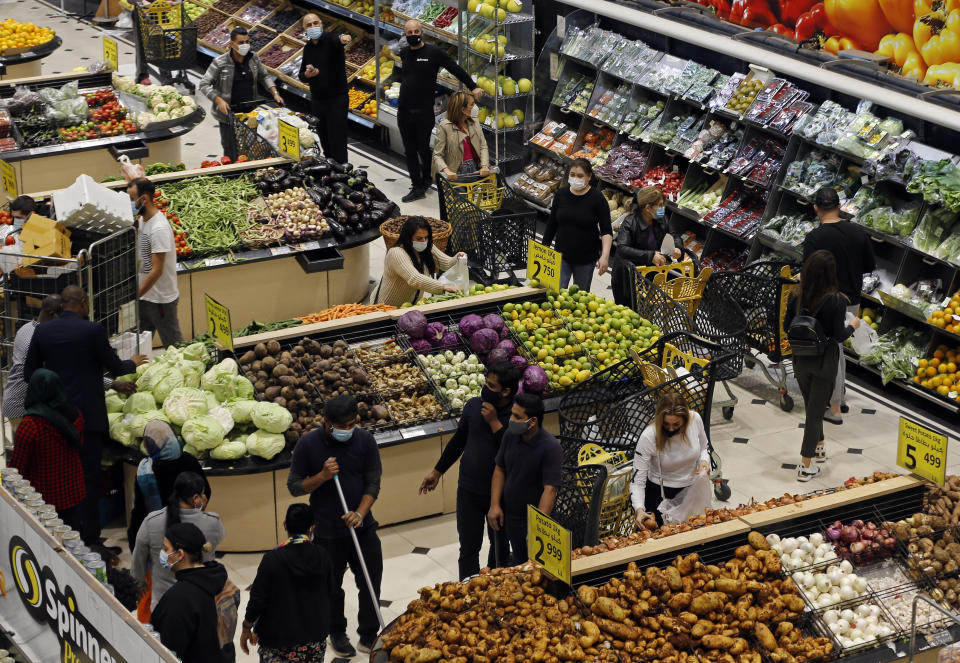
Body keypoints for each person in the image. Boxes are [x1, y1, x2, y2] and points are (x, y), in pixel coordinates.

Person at [24, 285, 147, 548]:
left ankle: (67, 537)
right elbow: (115, 367)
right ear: (82, 302)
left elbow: (30, 373)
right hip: (88, 418)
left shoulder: (42, 331)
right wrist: (133, 363)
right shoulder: (92, 330)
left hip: (55, 419)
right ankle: (91, 540)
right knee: (88, 479)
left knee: (62, 475)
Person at [287, 395, 383, 658]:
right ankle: (337, 633)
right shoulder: (309, 444)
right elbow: (294, 486)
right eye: (342, 426)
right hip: (328, 532)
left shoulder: (364, 440)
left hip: (363, 527)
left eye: (352, 424)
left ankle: (369, 634)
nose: (348, 430)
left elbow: (373, 482)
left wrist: (360, 513)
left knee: (371, 581)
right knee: (331, 586)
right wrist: (322, 476)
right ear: (327, 422)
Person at [420, 362, 518, 579]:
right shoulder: (473, 406)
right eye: (485, 383)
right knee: (468, 548)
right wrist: (437, 472)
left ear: (506, 391)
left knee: (499, 546)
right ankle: (468, 592)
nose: (485, 389)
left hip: (500, 495)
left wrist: (493, 422)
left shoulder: (516, 416)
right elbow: (459, 440)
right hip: (468, 490)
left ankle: (495, 588)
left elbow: (512, 453)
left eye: (491, 386)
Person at [803, 187, 875, 425]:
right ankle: (840, 396)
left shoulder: (815, 238)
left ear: (816, 208)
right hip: (852, 299)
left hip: (826, 301)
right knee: (838, 346)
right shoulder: (857, 232)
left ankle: (834, 408)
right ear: (840, 206)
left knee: (832, 350)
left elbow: (809, 274)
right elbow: (867, 266)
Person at [785, 250, 860, 481]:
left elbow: (787, 324)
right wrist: (853, 326)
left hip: (800, 358)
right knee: (815, 414)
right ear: (831, 275)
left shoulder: (796, 294)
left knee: (812, 407)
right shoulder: (837, 301)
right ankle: (805, 467)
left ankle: (819, 447)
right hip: (824, 361)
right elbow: (837, 336)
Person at [397, 19, 483, 202]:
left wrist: (473, 86)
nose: (413, 35)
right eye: (409, 33)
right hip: (404, 111)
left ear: (422, 32)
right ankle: (418, 186)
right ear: (405, 34)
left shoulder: (433, 53)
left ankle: (427, 178)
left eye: (416, 31)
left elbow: (454, 68)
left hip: (424, 112)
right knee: (409, 150)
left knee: (423, 148)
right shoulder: (404, 53)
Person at [240, 503, 335, 662]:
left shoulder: (272, 560)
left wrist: (246, 627)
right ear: (312, 528)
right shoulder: (323, 556)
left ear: (285, 525)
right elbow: (332, 592)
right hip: (314, 640)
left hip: (278, 641)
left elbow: (258, 600)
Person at [487, 393, 563, 565]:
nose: (511, 419)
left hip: (535, 518)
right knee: (521, 564)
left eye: (517, 416)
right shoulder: (510, 436)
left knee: (541, 569)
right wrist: (495, 505)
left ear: (533, 421)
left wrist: (537, 528)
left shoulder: (550, 447)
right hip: (512, 516)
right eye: (512, 413)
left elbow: (550, 489)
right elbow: (499, 469)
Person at [132, 471, 224, 610]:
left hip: (162, 604)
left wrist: (139, 584)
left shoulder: (152, 522)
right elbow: (218, 539)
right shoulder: (212, 522)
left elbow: (138, 559)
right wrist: (202, 511)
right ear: (195, 498)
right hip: (201, 601)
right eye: (203, 494)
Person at [10, 369, 85, 532]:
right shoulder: (75, 415)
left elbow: (18, 469)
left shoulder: (30, 425)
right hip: (74, 493)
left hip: (44, 503)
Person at [199, 26, 284, 162]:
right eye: (241, 43)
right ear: (231, 44)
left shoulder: (253, 58)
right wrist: (219, 100)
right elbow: (204, 84)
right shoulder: (220, 62)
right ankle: (233, 173)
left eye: (247, 42)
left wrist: (275, 93)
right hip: (228, 115)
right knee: (230, 148)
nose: (245, 45)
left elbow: (264, 76)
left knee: (253, 147)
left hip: (250, 112)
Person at [150, 522, 229, 663]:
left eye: (165, 548)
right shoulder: (222, 580)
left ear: (180, 554)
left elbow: (167, 651)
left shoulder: (178, 599)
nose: (161, 553)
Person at [629, 392, 711, 528]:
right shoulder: (649, 436)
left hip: (691, 491)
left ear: (685, 420)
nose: (671, 429)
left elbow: (705, 447)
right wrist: (639, 509)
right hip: (659, 495)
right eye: (666, 424)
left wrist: (704, 461)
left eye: (676, 424)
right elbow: (637, 481)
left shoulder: (695, 419)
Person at [127, 420, 210, 553]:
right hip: (190, 531)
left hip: (160, 540)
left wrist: (134, 544)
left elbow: (139, 511)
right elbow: (206, 492)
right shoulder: (189, 461)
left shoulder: (146, 471)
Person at [542, 159, 613, 292]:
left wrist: (605, 256)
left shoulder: (597, 199)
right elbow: (552, 223)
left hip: (586, 259)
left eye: (580, 176)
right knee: (555, 295)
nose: (575, 178)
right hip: (561, 255)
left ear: (589, 177)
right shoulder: (561, 194)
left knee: (579, 299)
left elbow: (606, 231)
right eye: (572, 174)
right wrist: (543, 248)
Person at [129, 178, 182, 347]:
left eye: (132, 198)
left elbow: (157, 271)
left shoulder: (159, 228)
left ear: (143, 199)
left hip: (161, 300)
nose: (130, 203)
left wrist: (136, 294)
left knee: (174, 346)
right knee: (139, 344)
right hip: (147, 295)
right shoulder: (143, 220)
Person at [611, 186, 683, 307]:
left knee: (646, 312)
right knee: (628, 313)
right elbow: (622, 248)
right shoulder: (630, 223)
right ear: (648, 208)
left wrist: (678, 247)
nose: (663, 209)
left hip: (648, 276)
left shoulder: (661, 220)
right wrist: (650, 256)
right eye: (660, 205)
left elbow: (674, 235)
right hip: (626, 278)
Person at [376, 216, 466, 308]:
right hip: (387, 307)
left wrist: (457, 258)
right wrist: (444, 287)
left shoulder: (427, 247)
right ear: (408, 238)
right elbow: (414, 278)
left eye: (426, 237)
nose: (423, 241)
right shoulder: (396, 254)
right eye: (419, 238)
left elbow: (446, 263)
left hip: (410, 306)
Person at [2, 294, 61, 433]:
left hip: (16, 401)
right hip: (21, 406)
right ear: (52, 315)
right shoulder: (38, 340)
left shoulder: (27, 327)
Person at [298, 14, 352, 164]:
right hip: (317, 100)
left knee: (337, 139)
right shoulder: (308, 48)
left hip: (337, 99)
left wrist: (344, 38)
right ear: (305, 29)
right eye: (309, 25)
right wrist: (308, 75)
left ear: (321, 24)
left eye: (316, 23)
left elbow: (340, 39)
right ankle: (330, 171)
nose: (313, 27)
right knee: (324, 138)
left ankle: (343, 171)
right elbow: (301, 75)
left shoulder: (331, 40)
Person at [433, 91, 490, 184]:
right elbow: (437, 155)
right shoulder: (445, 126)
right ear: (463, 109)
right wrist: (447, 171)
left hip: (477, 171)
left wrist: (484, 165)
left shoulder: (474, 122)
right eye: (472, 104)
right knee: (462, 198)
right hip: (457, 174)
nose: (475, 107)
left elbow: (483, 146)